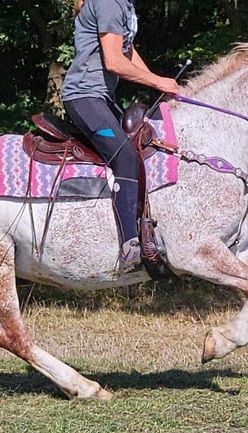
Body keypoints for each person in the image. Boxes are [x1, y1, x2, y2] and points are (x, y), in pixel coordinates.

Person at [61, 0, 180, 272]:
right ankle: (130, 247)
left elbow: (127, 52)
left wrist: (158, 81)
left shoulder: (124, 4)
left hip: (101, 98)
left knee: (141, 149)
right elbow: (114, 62)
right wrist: (158, 82)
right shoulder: (108, 3)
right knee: (125, 157)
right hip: (84, 97)